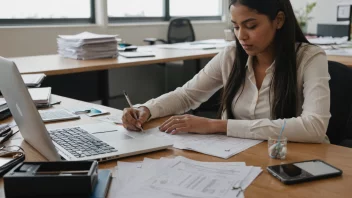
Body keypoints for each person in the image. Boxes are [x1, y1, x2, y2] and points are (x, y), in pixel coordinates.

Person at [122, 0, 330, 143]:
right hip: (239, 156)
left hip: (294, 159)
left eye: (250, 25)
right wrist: (147, 109)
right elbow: (186, 95)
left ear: (279, 20)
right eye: (236, 27)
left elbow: (314, 127)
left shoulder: (310, 58)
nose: (241, 36)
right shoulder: (231, 55)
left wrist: (218, 126)